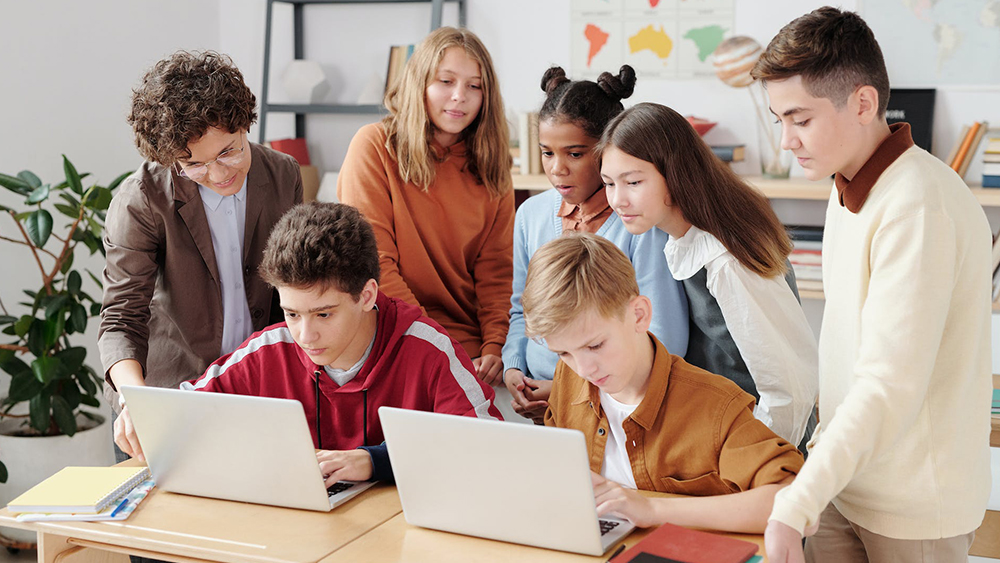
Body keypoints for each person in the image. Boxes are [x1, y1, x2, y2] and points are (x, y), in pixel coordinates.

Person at [751, 7, 993, 563]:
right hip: (848, 483)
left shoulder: (918, 205)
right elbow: (847, 354)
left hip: (913, 508)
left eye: (800, 119)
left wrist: (796, 502)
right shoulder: (848, 183)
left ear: (863, 103)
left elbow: (887, 384)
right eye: (778, 119)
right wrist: (814, 475)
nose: (785, 140)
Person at [114, 202, 503, 483]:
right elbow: (181, 410)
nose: (304, 336)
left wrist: (377, 462)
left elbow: (489, 448)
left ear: (367, 296)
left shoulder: (429, 350)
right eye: (292, 313)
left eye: (323, 314)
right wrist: (143, 417)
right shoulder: (270, 349)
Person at [522, 232, 803, 533]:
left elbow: (791, 499)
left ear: (639, 315)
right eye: (564, 352)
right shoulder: (569, 378)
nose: (584, 368)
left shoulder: (716, 406)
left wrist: (653, 508)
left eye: (595, 346)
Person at [100, 51, 303, 445]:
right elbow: (122, 318)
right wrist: (134, 401)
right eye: (194, 164)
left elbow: (292, 287)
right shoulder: (141, 199)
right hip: (169, 397)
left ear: (245, 125)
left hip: (261, 391)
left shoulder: (282, 175)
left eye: (229, 151)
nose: (218, 173)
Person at [597, 102, 818, 448]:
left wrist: (761, 467)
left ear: (674, 173)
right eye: (609, 183)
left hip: (763, 450)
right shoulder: (681, 238)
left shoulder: (725, 258)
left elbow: (788, 390)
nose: (618, 200)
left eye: (633, 182)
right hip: (721, 434)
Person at [501, 65, 688, 424]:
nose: (557, 169)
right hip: (540, 406)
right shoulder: (530, 215)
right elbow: (521, 310)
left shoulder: (641, 224)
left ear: (608, 150)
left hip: (618, 407)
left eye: (574, 154)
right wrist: (513, 367)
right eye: (546, 153)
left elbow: (664, 338)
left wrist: (566, 390)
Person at [337, 26, 513, 388]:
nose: (459, 97)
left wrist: (497, 346)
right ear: (420, 83)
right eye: (445, 81)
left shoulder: (493, 165)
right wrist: (435, 344)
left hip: (471, 347)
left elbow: (497, 271)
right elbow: (376, 263)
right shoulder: (374, 146)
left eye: (474, 86)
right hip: (392, 332)